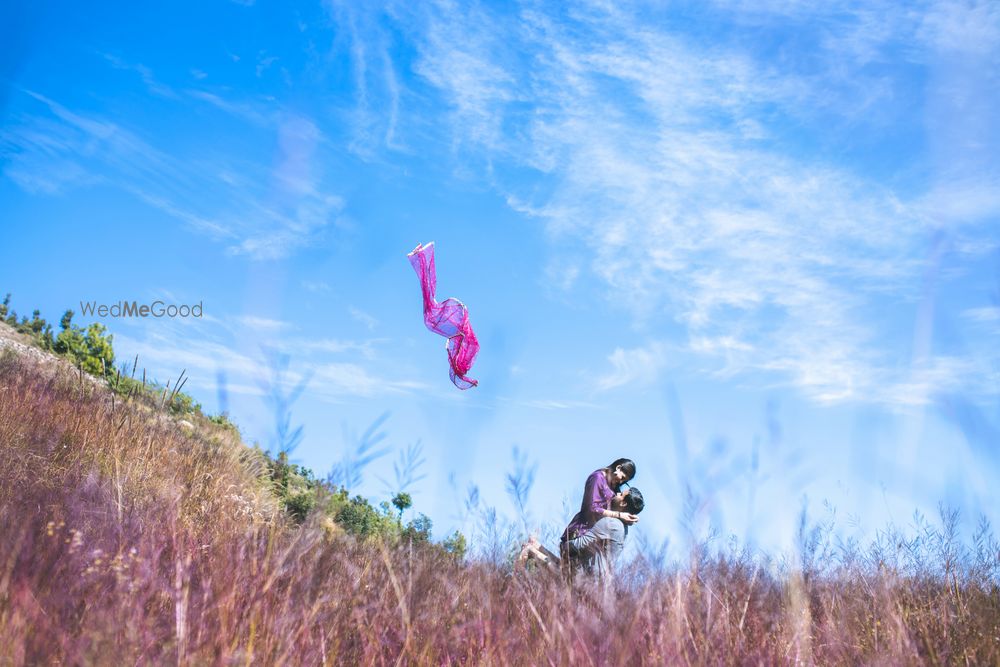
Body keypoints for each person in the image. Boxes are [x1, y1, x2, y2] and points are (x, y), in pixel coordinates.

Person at [517, 487, 645, 578]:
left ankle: (532, 550)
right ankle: (534, 548)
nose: (616, 494)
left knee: (565, 575)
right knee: (565, 572)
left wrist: (564, 544)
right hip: (590, 577)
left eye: (620, 494)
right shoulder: (622, 527)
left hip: (588, 580)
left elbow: (574, 546)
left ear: (623, 503)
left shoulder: (610, 523)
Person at [560, 458, 638, 552]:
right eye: (622, 478)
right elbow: (592, 508)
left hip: (595, 539)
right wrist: (619, 515)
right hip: (580, 535)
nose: (621, 482)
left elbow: (618, 507)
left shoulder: (614, 487)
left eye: (624, 481)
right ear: (618, 468)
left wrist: (630, 518)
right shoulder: (597, 477)